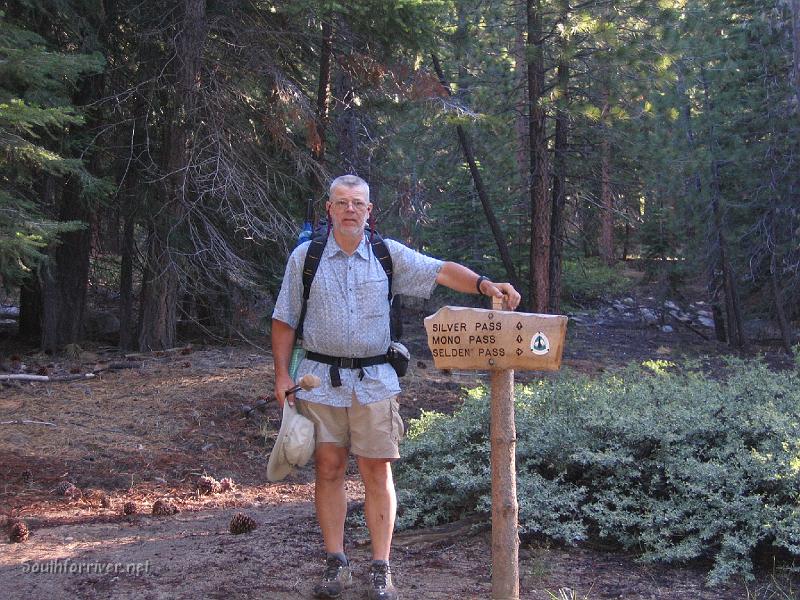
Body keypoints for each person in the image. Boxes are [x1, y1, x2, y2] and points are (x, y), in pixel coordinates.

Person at [271, 174, 521, 600]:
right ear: (329, 209)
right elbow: (284, 319)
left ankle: (380, 570)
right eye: (342, 202)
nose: (350, 210)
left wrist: (483, 284)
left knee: (376, 471)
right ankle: (336, 566)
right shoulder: (305, 258)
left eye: (358, 204)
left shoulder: (386, 255)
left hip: (375, 383)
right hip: (319, 382)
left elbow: (440, 270)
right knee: (328, 469)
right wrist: (282, 374)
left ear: (369, 211)